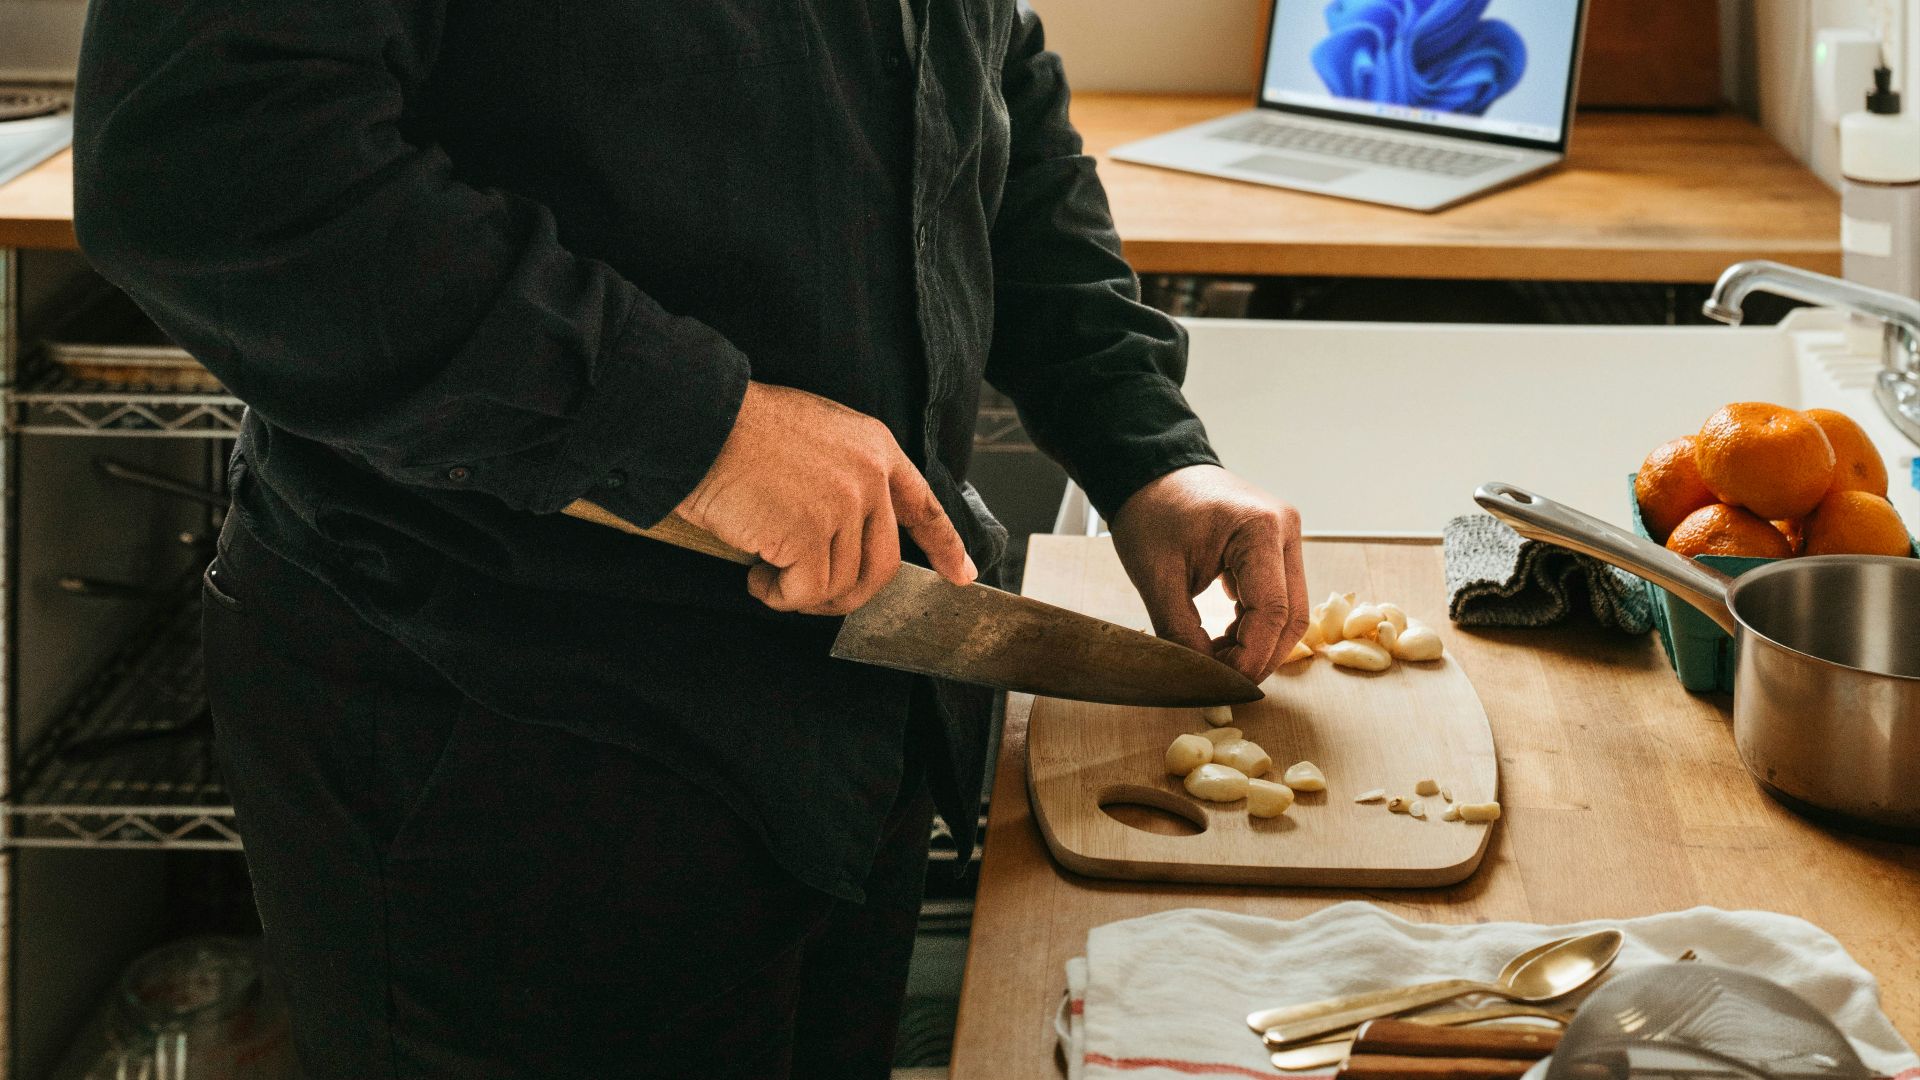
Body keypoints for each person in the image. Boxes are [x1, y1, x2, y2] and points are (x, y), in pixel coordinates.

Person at [70, 1, 1308, 1076]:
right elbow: (210, 168)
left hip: (855, 707)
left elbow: (986, 95)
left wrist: (1149, 448)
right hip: (504, 750)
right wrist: (701, 430)